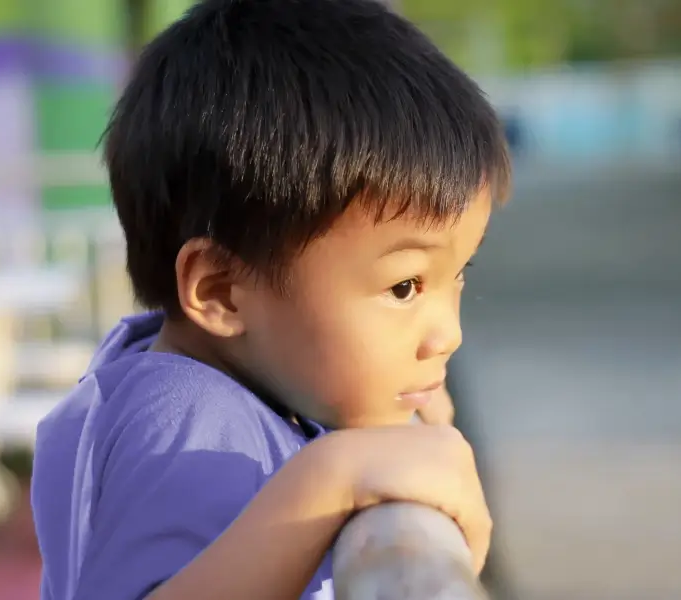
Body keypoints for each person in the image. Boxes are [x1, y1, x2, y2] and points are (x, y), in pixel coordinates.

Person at [30, 0, 511, 598]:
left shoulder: (211, 379)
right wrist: (335, 477)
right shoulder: (189, 421)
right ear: (222, 291)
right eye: (404, 287)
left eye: (457, 274)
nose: (447, 334)